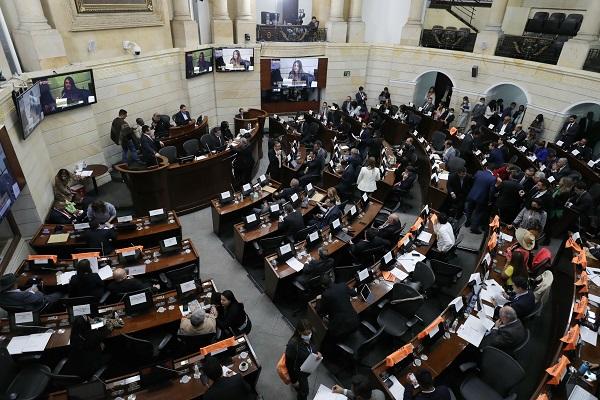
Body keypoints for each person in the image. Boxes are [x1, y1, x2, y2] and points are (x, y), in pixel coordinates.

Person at [285, 320, 321, 400]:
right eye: (305, 334)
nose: (308, 335)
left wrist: (317, 353)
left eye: (309, 333)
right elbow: (289, 364)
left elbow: (312, 346)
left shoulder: (311, 336)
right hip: (299, 371)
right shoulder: (293, 345)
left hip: (307, 367)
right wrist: (294, 381)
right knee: (305, 391)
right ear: (299, 332)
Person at [465, 165, 497, 234]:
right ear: (494, 170)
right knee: (478, 213)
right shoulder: (493, 178)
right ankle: (473, 228)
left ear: (486, 168)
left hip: (472, 194)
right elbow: (491, 192)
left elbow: (472, 181)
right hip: (481, 198)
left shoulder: (478, 172)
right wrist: (490, 201)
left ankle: (467, 222)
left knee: (469, 209)